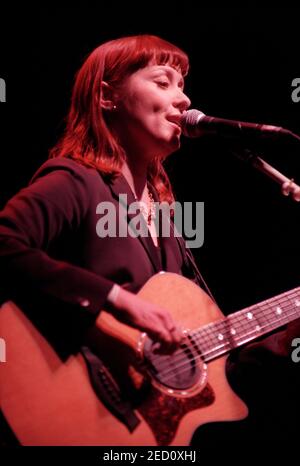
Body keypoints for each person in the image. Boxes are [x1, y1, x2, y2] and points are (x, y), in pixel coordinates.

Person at [0, 34, 298, 448]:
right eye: (163, 82)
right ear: (107, 97)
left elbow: (193, 364)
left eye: (182, 85)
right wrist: (118, 301)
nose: (183, 99)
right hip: (72, 403)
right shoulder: (75, 181)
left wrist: (280, 340)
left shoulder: (165, 213)